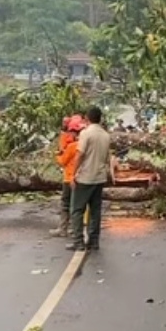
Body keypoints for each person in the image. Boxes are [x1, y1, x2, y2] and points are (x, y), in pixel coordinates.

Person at [67, 106, 114, 251]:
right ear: (100, 119)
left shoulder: (86, 134)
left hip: (85, 177)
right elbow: (107, 158)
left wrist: (73, 174)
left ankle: (78, 242)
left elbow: (80, 154)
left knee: (77, 210)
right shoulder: (106, 135)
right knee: (95, 210)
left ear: (87, 118)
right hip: (99, 178)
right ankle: (94, 241)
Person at [51, 115, 85, 237]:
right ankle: (74, 229)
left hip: (69, 178)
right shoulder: (85, 144)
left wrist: (58, 155)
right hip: (83, 179)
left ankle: (63, 229)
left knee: (65, 204)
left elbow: (62, 161)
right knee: (77, 205)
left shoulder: (72, 146)